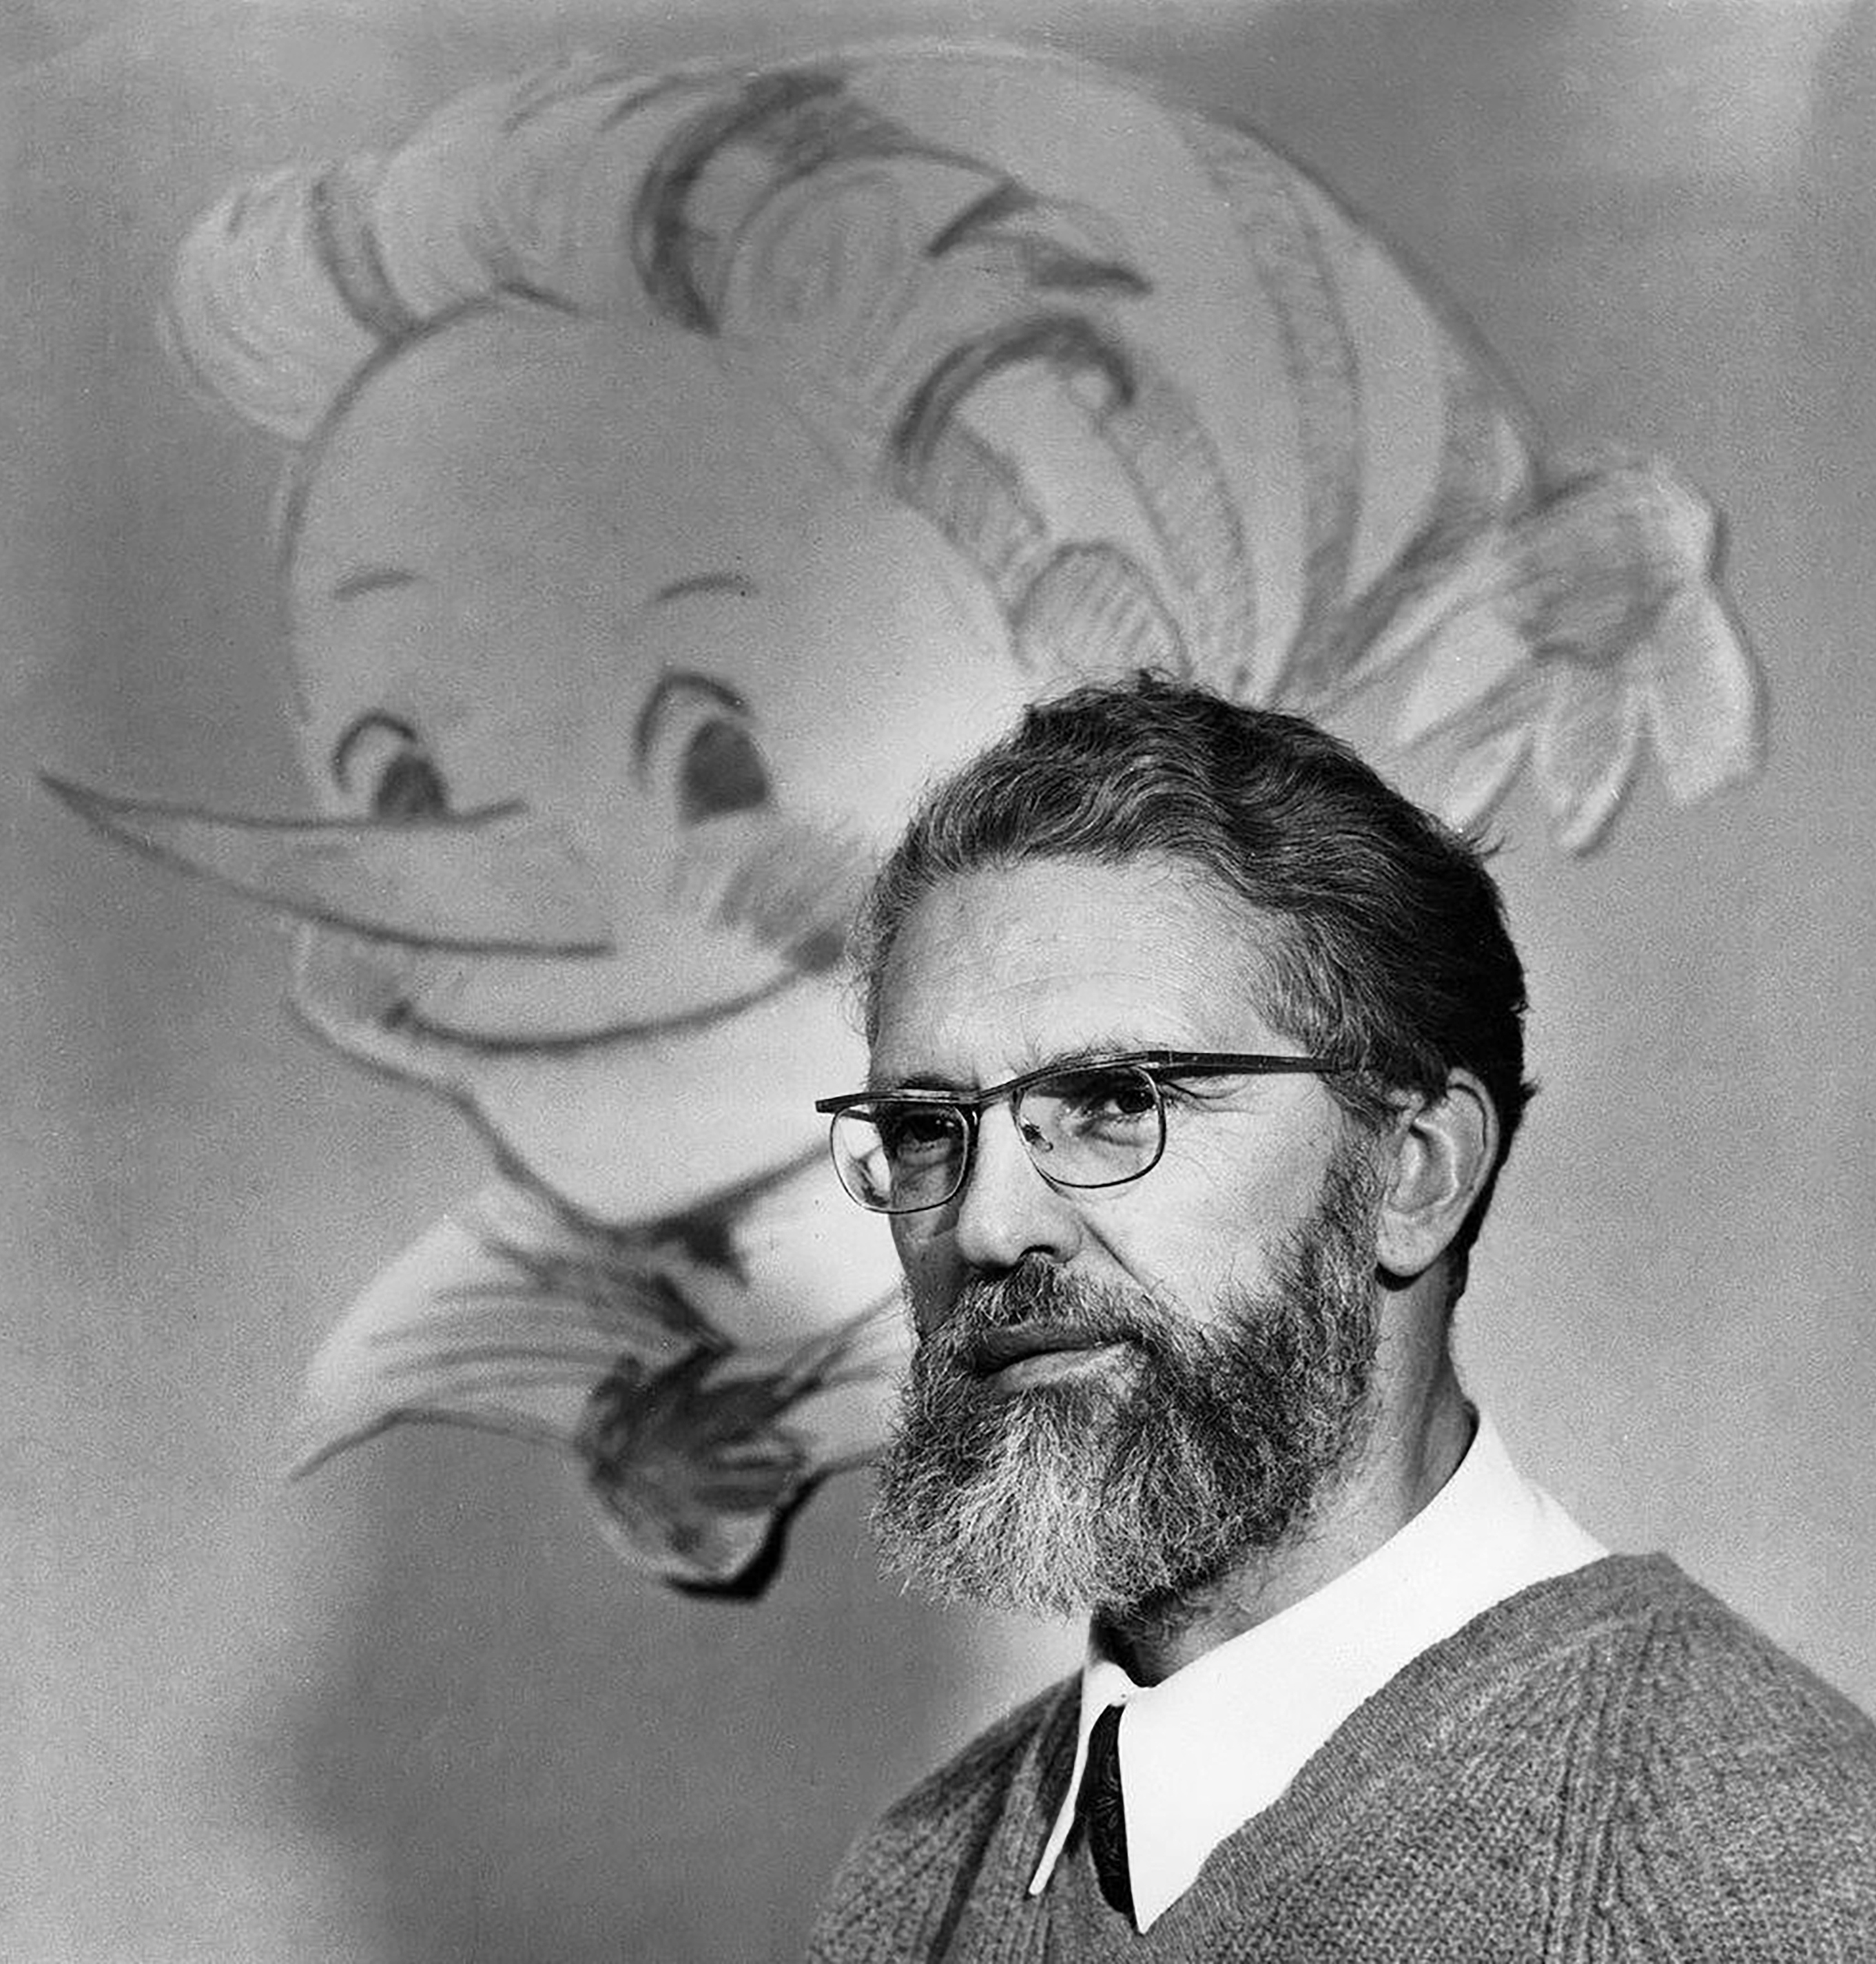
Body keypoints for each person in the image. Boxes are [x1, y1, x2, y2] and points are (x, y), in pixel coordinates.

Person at [806, 674, 1876, 1960]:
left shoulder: (1784, 1877)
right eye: (927, 1127)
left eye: (1119, 1100)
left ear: (1413, 1173)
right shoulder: (905, 1893)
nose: (987, 1226)